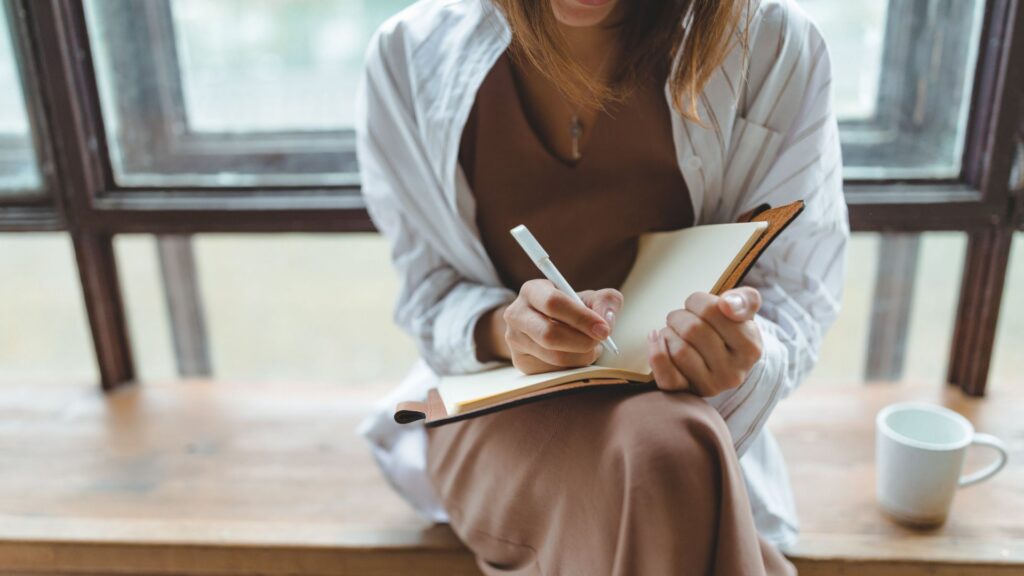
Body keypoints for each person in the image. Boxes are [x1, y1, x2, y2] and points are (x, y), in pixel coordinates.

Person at [356, 0, 848, 573]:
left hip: (686, 412)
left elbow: (794, 293)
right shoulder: (407, 56)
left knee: (664, 445)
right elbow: (429, 291)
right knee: (670, 455)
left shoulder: (772, 46)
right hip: (491, 412)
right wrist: (507, 331)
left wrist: (737, 354)